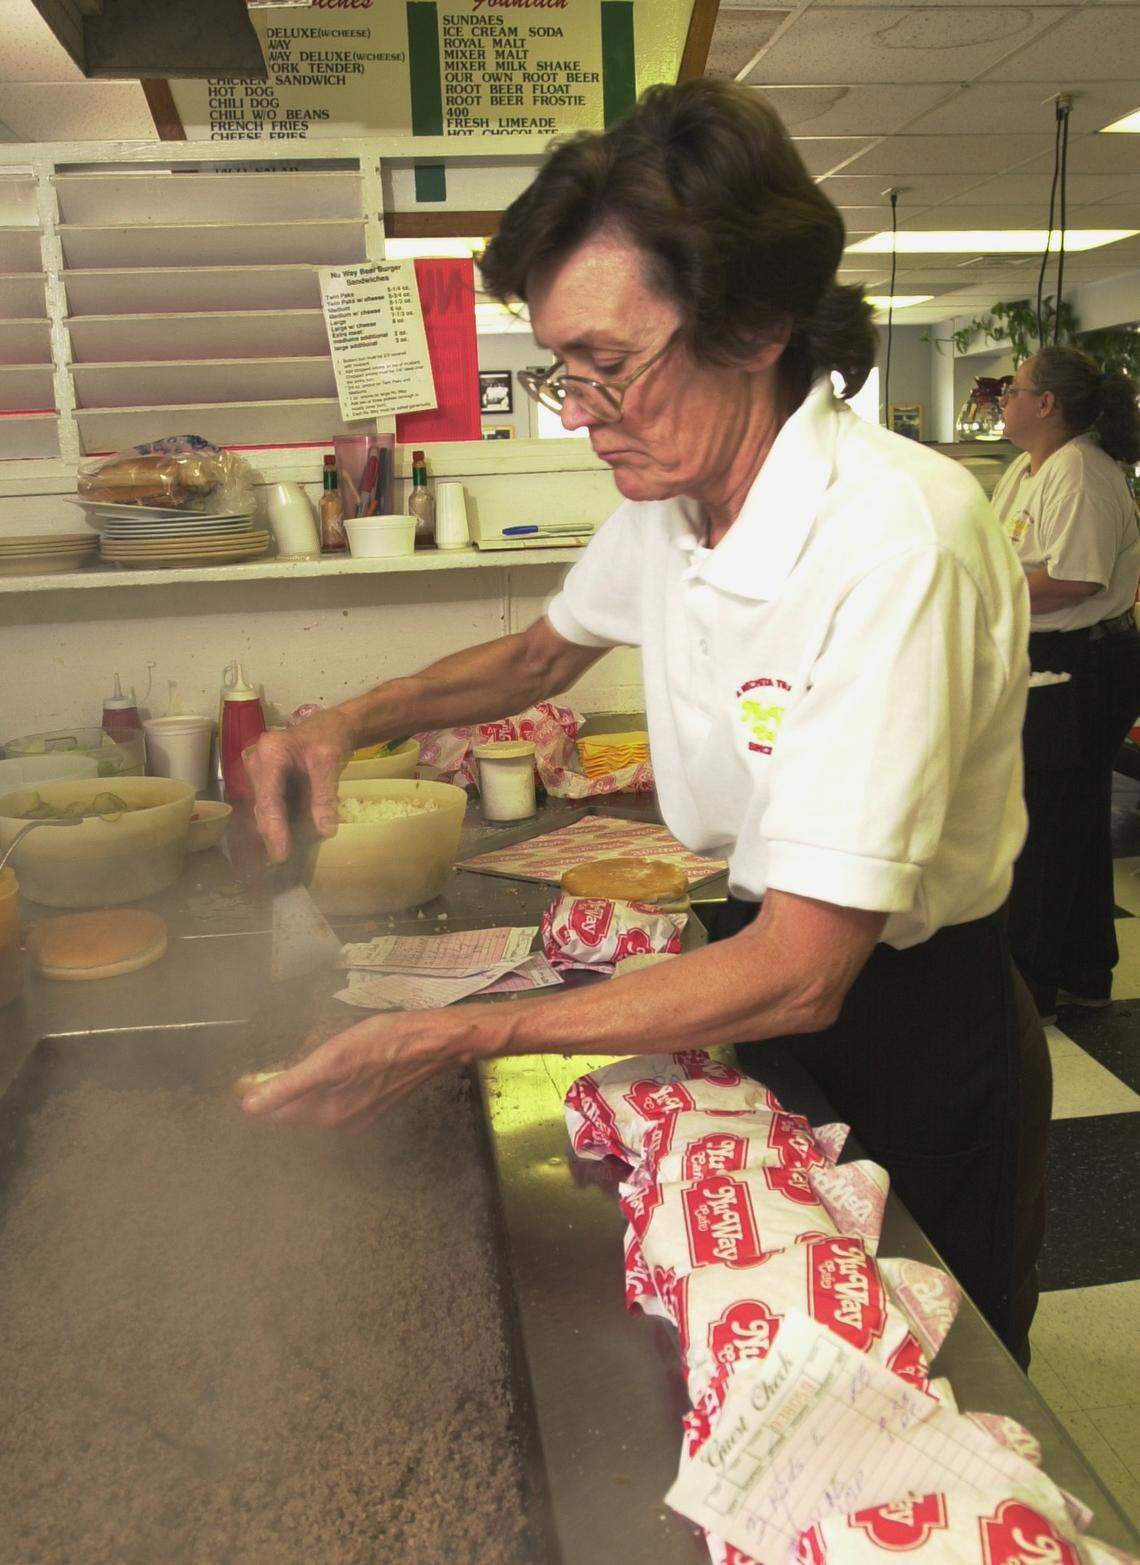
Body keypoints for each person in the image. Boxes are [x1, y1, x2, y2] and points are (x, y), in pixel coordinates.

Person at [243, 80, 1049, 1364]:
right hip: (756, 960)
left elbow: (807, 965)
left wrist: (464, 1029)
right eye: (564, 370)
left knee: (919, 1365)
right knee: (777, 1352)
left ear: (755, 325)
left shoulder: (897, 539)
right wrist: (348, 718)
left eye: (609, 366)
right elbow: (533, 656)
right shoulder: (671, 494)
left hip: (903, 1015)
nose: (580, 411)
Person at [992, 348, 1140, 1023]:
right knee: (1069, 820)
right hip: (1042, 656)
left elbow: (1077, 580)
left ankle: (1030, 984)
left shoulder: (1081, 470)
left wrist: (981, 587)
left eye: (1011, 387)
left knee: (1047, 822)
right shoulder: (1027, 470)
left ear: (1046, 403)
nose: (1001, 398)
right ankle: (1084, 968)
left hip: (1081, 662)